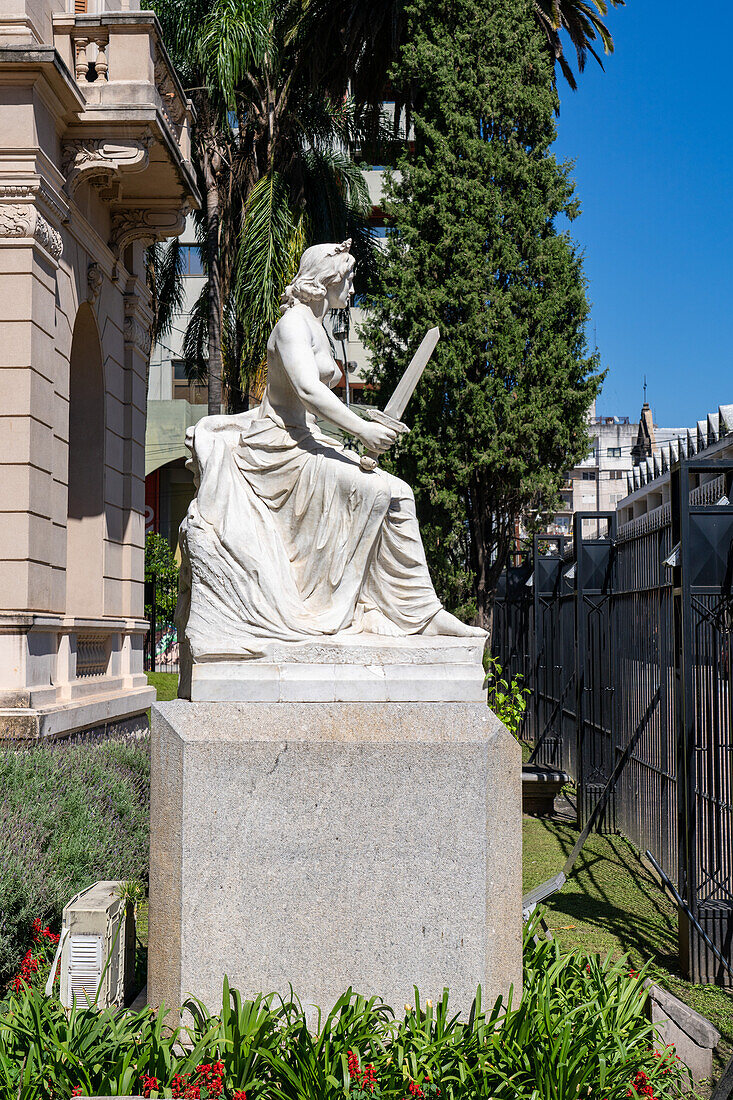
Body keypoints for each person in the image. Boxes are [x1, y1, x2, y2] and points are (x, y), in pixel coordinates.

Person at [177, 240, 485, 664]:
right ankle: (414, 613)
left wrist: (368, 421)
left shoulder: (318, 326)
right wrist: (362, 433)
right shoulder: (292, 325)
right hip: (280, 451)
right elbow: (306, 389)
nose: (354, 284)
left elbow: (319, 399)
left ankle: (418, 612)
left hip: (308, 442)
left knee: (394, 493)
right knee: (391, 494)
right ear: (327, 279)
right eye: (349, 275)